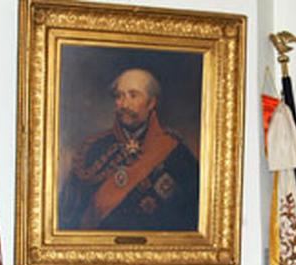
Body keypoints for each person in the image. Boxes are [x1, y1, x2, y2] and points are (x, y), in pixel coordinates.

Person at [58, 68, 199, 231]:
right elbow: (68, 215)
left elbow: (192, 216)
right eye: (119, 96)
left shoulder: (176, 152)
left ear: (151, 103)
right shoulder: (93, 149)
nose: (124, 104)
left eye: (133, 95)